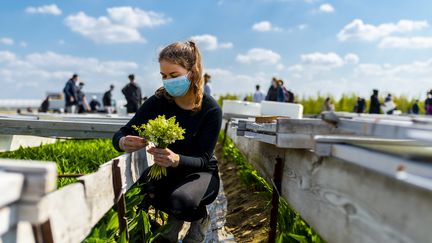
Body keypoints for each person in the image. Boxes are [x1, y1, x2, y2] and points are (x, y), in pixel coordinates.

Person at [112, 41, 222, 243]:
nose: (168, 81)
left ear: (192, 72)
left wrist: (177, 158)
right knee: (149, 191)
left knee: (181, 202)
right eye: (163, 76)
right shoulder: (159, 101)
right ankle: (172, 226)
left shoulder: (210, 109)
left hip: (200, 173)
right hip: (167, 168)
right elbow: (122, 132)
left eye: (174, 76)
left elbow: (204, 159)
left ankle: (200, 219)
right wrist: (123, 142)